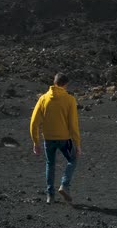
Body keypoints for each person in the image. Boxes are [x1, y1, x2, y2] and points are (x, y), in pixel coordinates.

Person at [30, 73, 81, 204]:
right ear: (65, 85)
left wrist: (36, 142)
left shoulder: (43, 99)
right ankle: (64, 185)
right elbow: (73, 124)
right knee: (73, 159)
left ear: (54, 82)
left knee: (50, 164)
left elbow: (34, 122)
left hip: (48, 139)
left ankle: (50, 195)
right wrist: (77, 143)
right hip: (65, 140)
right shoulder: (70, 100)